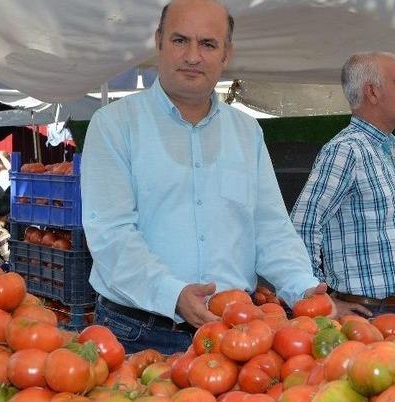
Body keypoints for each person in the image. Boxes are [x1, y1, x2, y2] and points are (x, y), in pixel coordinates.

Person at [80, 0, 325, 354]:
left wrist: (302, 287)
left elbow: (269, 227)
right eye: (181, 41)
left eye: (208, 44)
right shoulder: (115, 125)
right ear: (159, 42)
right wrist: (172, 294)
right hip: (136, 332)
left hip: (234, 333)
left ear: (226, 54)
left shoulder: (247, 132)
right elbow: (111, 234)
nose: (193, 56)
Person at [291, 51, 395, 317]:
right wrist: (319, 299)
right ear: (372, 93)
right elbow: (301, 225)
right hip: (366, 314)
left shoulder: (390, 150)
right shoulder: (347, 150)